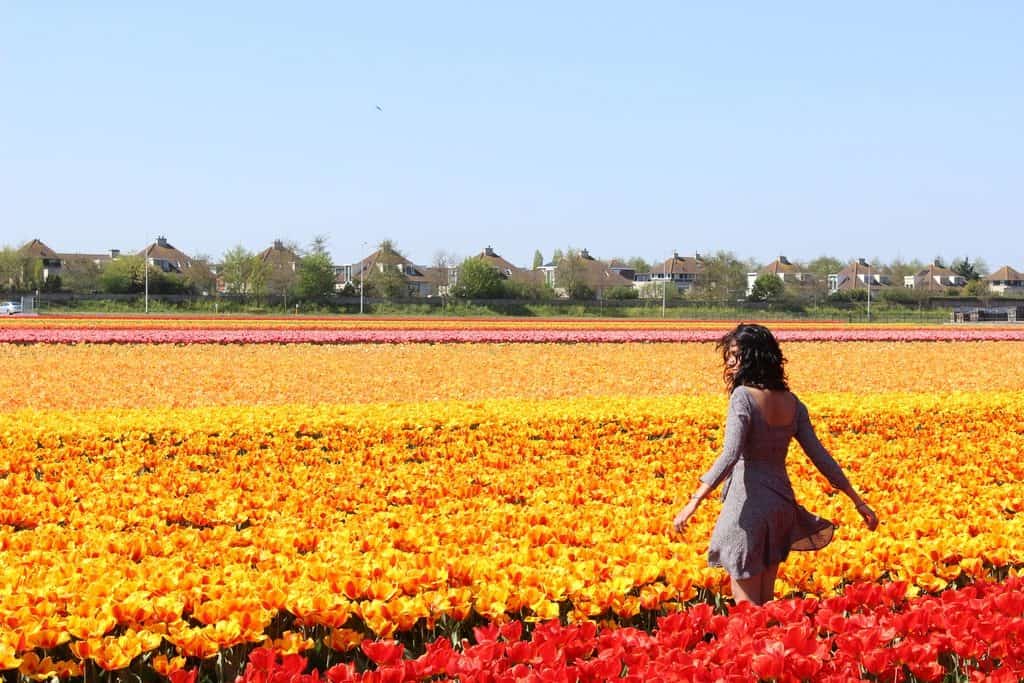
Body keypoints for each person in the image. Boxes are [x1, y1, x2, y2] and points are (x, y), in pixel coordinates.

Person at [672, 323, 878, 605]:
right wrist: (858, 501)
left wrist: (693, 501)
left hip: (748, 508)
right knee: (767, 606)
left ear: (753, 357)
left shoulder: (742, 397)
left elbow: (730, 454)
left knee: (747, 612)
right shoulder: (793, 403)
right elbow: (820, 456)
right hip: (780, 507)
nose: (730, 361)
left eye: (735, 354)